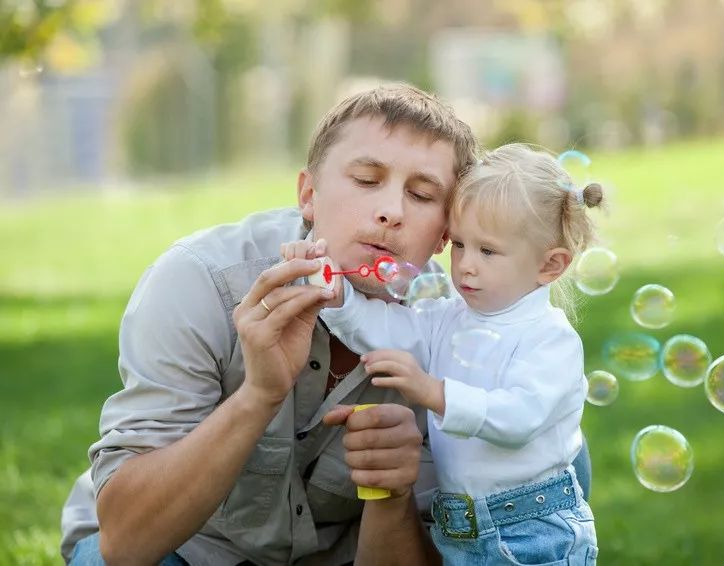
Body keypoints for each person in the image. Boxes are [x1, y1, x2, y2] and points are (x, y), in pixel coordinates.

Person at [59, 85, 592, 565]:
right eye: (366, 179)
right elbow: (125, 545)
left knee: (566, 456)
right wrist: (259, 395)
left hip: (344, 554)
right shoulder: (202, 282)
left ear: (445, 234)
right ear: (308, 195)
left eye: (423, 195)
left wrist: (393, 493)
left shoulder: (460, 331)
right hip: (190, 549)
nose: (391, 211)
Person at [296, 143, 602, 565]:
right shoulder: (448, 318)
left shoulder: (549, 339)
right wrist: (332, 291)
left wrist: (434, 392)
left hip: (534, 530)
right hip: (459, 529)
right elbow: (385, 330)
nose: (465, 266)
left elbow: (519, 418)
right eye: (459, 245)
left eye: (487, 251)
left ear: (549, 266)